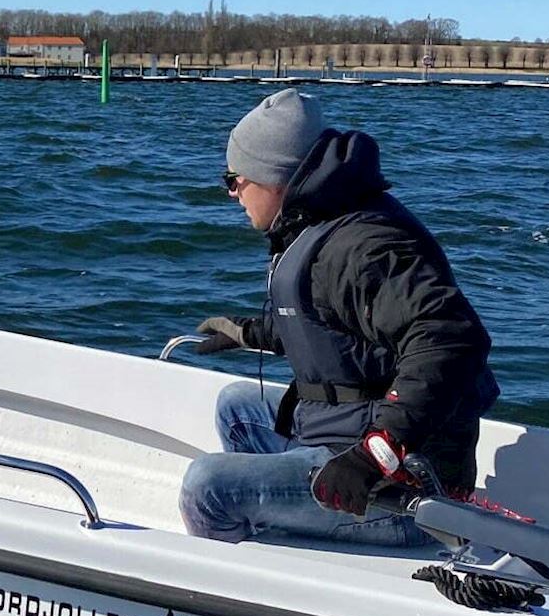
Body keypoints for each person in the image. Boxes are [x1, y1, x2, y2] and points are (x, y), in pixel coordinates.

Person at [178, 88, 499, 546]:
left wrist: (377, 454)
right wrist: (249, 332)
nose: (232, 193)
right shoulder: (324, 220)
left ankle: (231, 594)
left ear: (273, 178)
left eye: (234, 179)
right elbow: (340, 330)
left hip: (402, 489)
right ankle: (280, 530)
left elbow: (452, 338)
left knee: (206, 486)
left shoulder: (362, 244)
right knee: (237, 407)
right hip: (345, 429)